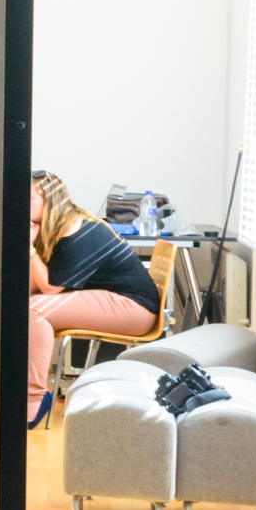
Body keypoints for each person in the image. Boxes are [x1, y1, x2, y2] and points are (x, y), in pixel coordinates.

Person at [28, 172, 159, 425]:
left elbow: (50, 288)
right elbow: (39, 284)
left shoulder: (76, 231)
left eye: (30, 199)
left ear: (50, 201)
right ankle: (18, 389)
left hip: (133, 307)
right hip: (118, 301)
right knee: (24, 304)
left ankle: (33, 400)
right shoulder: (60, 228)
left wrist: (28, 248)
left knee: (33, 311)